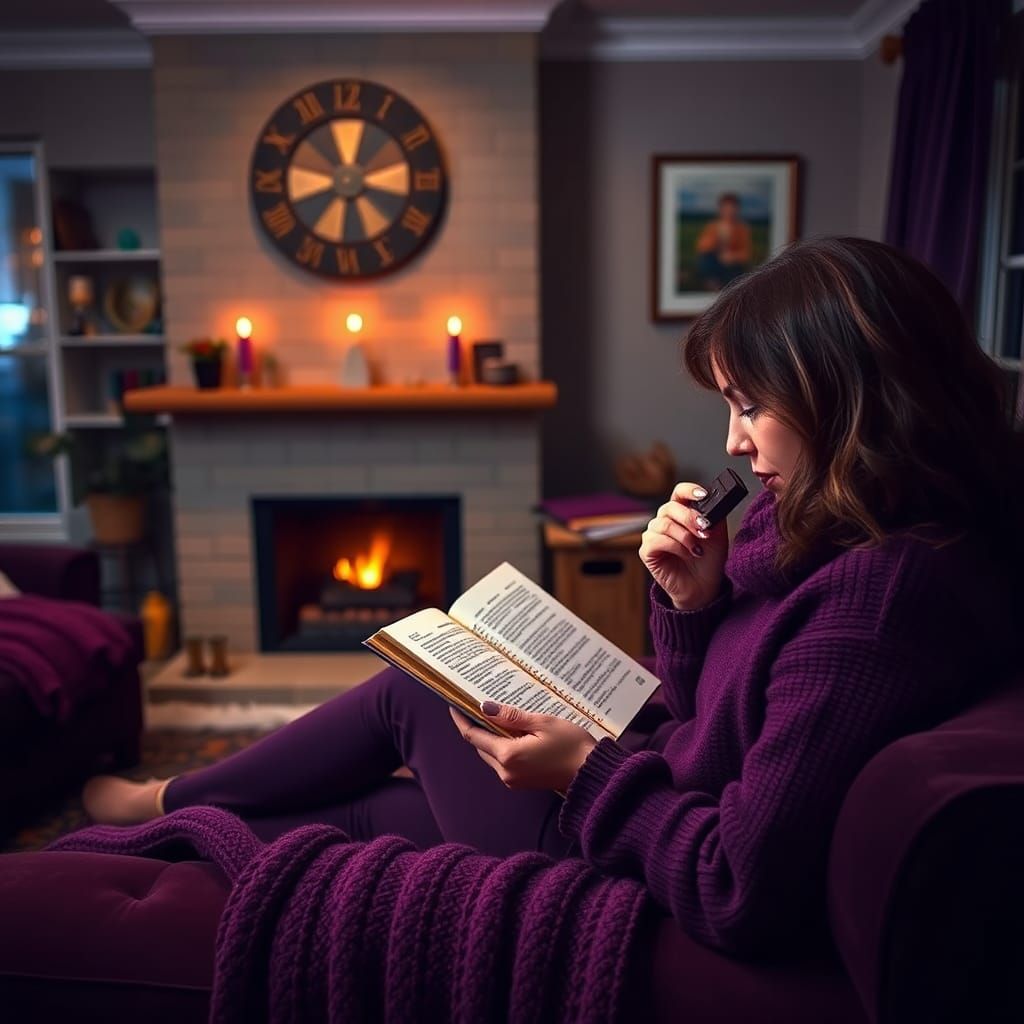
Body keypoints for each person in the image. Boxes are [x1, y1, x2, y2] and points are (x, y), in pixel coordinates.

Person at [81, 236, 1024, 956]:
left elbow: (735, 885)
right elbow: (715, 720)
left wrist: (584, 773)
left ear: (849, 399)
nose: (734, 444)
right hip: (654, 798)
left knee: (420, 687)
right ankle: (134, 852)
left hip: (643, 865)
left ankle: (159, 797)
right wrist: (694, 608)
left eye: (751, 406)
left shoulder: (881, 602)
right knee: (369, 815)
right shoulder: (839, 529)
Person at [694, 191, 753, 290]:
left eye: (732, 208)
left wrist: (732, 257)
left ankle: (728, 286)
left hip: (733, 265)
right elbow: (701, 247)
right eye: (726, 208)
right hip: (715, 262)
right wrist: (716, 238)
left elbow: (746, 254)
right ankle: (712, 283)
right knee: (705, 260)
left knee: (736, 273)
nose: (729, 212)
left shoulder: (742, 228)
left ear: (737, 209)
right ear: (720, 209)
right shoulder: (712, 226)